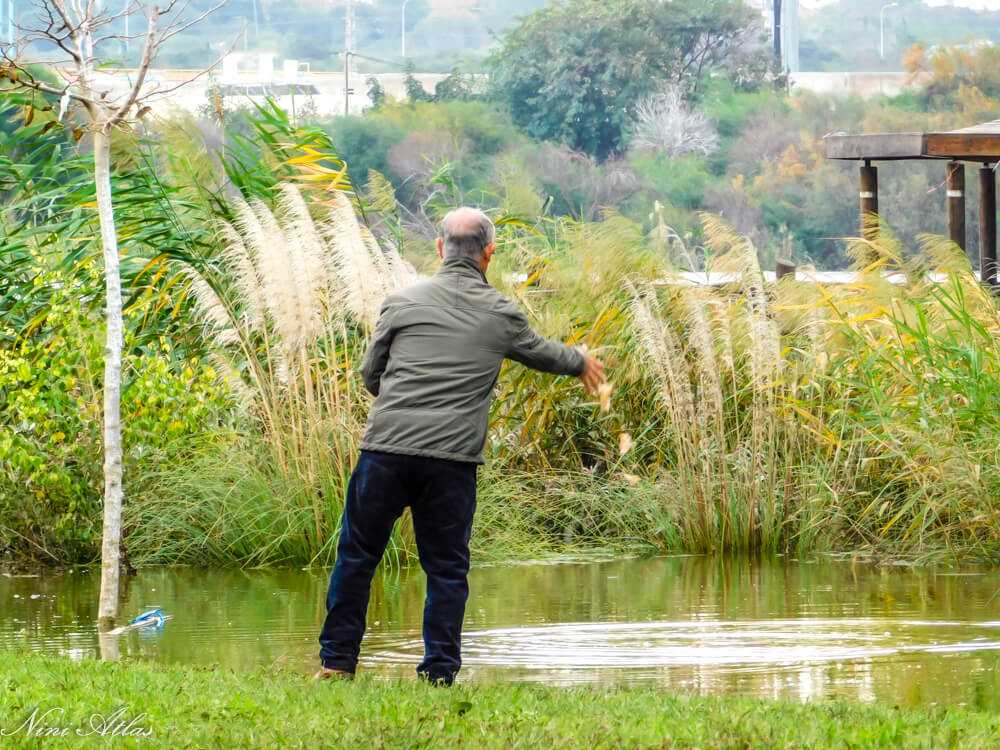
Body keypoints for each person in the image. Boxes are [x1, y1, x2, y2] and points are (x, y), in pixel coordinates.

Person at [316, 207, 606, 685]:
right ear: (489, 254)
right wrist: (581, 363)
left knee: (357, 556)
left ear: (439, 248)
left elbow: (372, 377)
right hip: (450, 464)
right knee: (447, 570)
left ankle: (337, 664)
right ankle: (438, 673)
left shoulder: (401, 302)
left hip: (385, 452)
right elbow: (544, 353)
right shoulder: (501, 314)